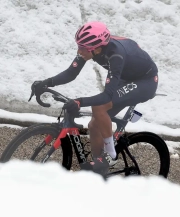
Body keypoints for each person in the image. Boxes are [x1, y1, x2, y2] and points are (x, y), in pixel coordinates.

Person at [31, 21, 158, 178]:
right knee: (94, 124)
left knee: (99, 107)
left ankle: (110, 155)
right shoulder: (92, 48)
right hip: (127, 77)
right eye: (79, 46)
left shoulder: (115, 55)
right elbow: (71, 73)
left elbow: (106, 96)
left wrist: (79, 101)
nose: (79, 51)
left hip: (146, 81)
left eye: (82, 48)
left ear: (97, 47)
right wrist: (45, 83)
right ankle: (99, 168)